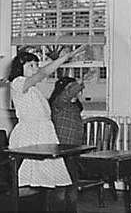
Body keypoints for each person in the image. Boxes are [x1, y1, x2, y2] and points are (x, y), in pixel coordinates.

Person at [8, 45, 85, 212]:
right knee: (28, 179)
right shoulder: (18, 83)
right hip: (30, 136)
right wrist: (64, 58)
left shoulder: (33, 89)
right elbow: (43, 73)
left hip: (44, 134)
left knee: (52, 179)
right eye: (31, 66)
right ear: (19, 68)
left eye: (36, 65)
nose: (36, 69)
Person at [49, 76, 85, 213]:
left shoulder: (73, 107)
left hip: (73, 151)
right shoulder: (58, 104)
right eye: (70, 89)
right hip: (61, 151)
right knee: (60, 188)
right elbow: (65, 96)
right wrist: (78, 85)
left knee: (72, 186)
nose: (74, 92)